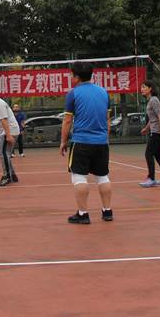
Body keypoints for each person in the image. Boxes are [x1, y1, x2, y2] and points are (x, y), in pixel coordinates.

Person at [59, 62, 112, 225]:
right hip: (101, 142)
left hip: (82, 141)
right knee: (103, 176)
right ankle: (107, 211)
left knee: (79, 177)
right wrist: (104, 138)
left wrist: (63, 141)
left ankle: (83, 214)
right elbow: (107, 119)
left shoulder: (73, 94)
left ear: (76, 77)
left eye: (71, 75)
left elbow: (67, 120)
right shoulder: (104, 92)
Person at [138, 81, 160, 187]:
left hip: (157, 132)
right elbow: (152, 118)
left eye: (144, 87)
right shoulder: (150, 101)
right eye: (141, 87)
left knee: (148, 154)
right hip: (154, 130)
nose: (141, 89)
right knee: (158, 155)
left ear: (150, 88)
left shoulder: (154, 100)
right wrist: (146, 128)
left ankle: (151, 178)